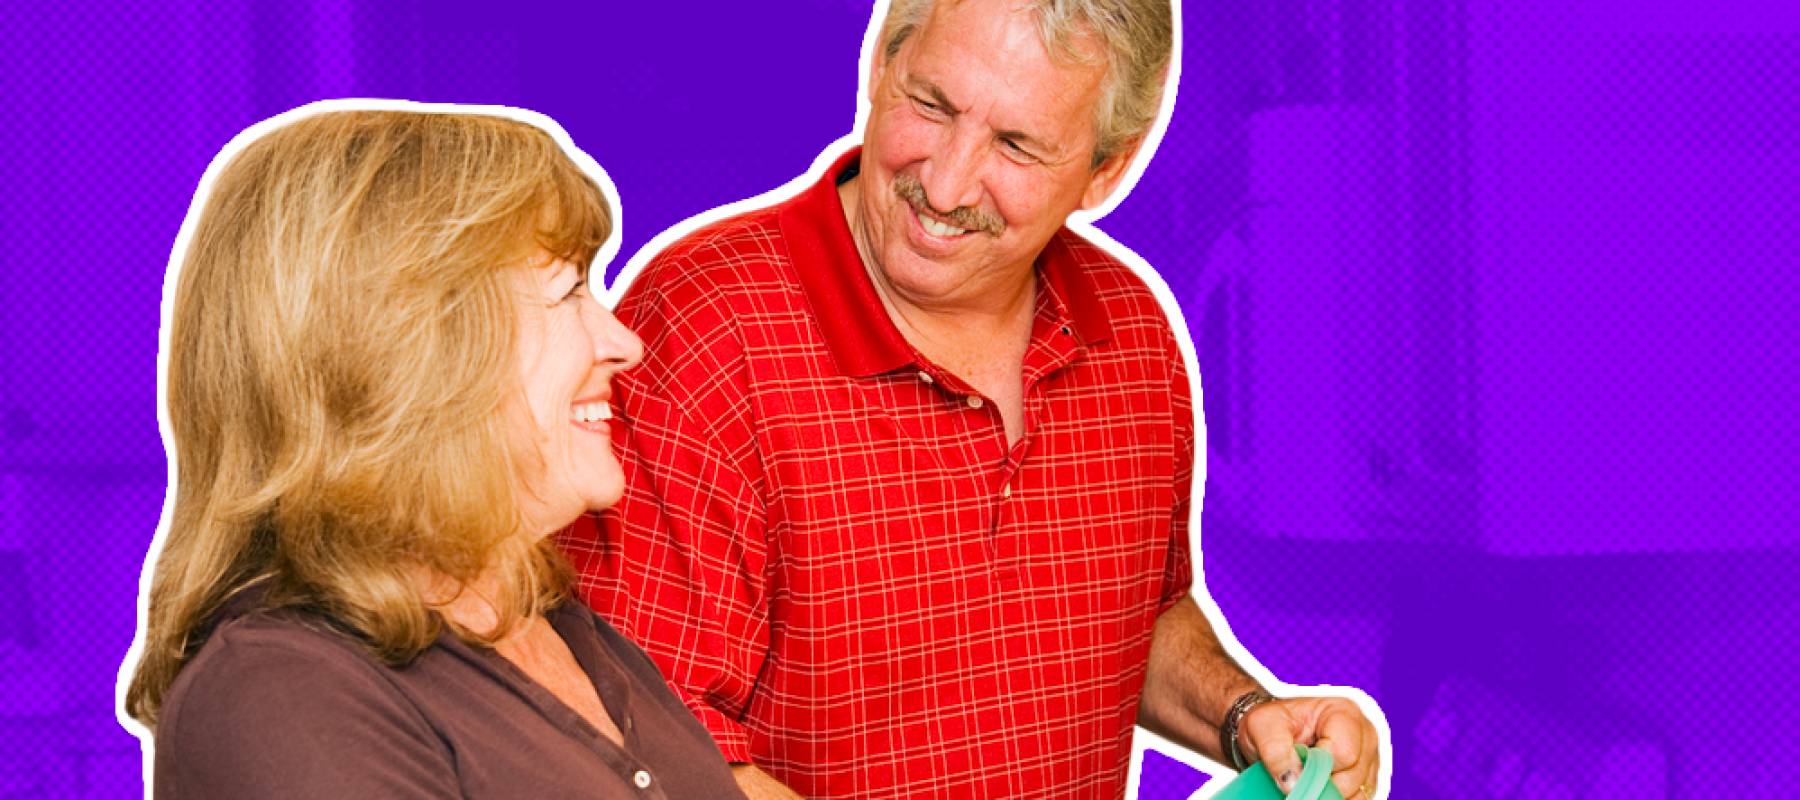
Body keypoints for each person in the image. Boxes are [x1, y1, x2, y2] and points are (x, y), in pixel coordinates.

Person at [562, 1, 1387, 798]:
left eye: (1017, 146)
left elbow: (1135, 616)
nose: (948, 185)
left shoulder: (1132, 333)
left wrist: (1250, 720)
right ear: (884, 61)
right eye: (931, 104)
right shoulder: (710, 323)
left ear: (1108, 168)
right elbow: (642, 739)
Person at [121, 107, 744, 799]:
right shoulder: (286, 695)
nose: (624, 344)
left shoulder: (561, 625)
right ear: (411, 350)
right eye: (568, 292)